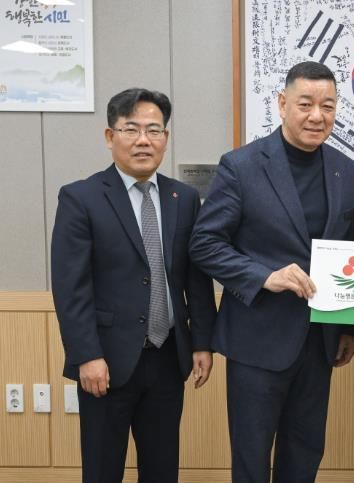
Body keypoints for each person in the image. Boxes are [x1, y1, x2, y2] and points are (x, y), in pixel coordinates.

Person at [188, 61, 354, 483]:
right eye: (305, 104)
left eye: (328, 106)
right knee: (251, 456)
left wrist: (348, 327)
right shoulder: (242, 165)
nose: (317, 115)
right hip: (257, 340)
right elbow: (204, 244)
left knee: (305, 452)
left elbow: (350, 249)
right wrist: (264, 276)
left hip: (319, 341)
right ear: (282, 104)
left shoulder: (346, 170)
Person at [51, 88, 217, 483]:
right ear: (110, 137)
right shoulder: (81, 197)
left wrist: (202, 342)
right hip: (106, 360)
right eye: (131, 129)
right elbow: (71, 287)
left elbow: (196, 278)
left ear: (165, 138)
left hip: (168, 356)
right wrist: (87, 355)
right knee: (102, 469)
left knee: (162, 468)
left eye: (154, 130)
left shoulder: (184, 198)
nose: (144, 140)